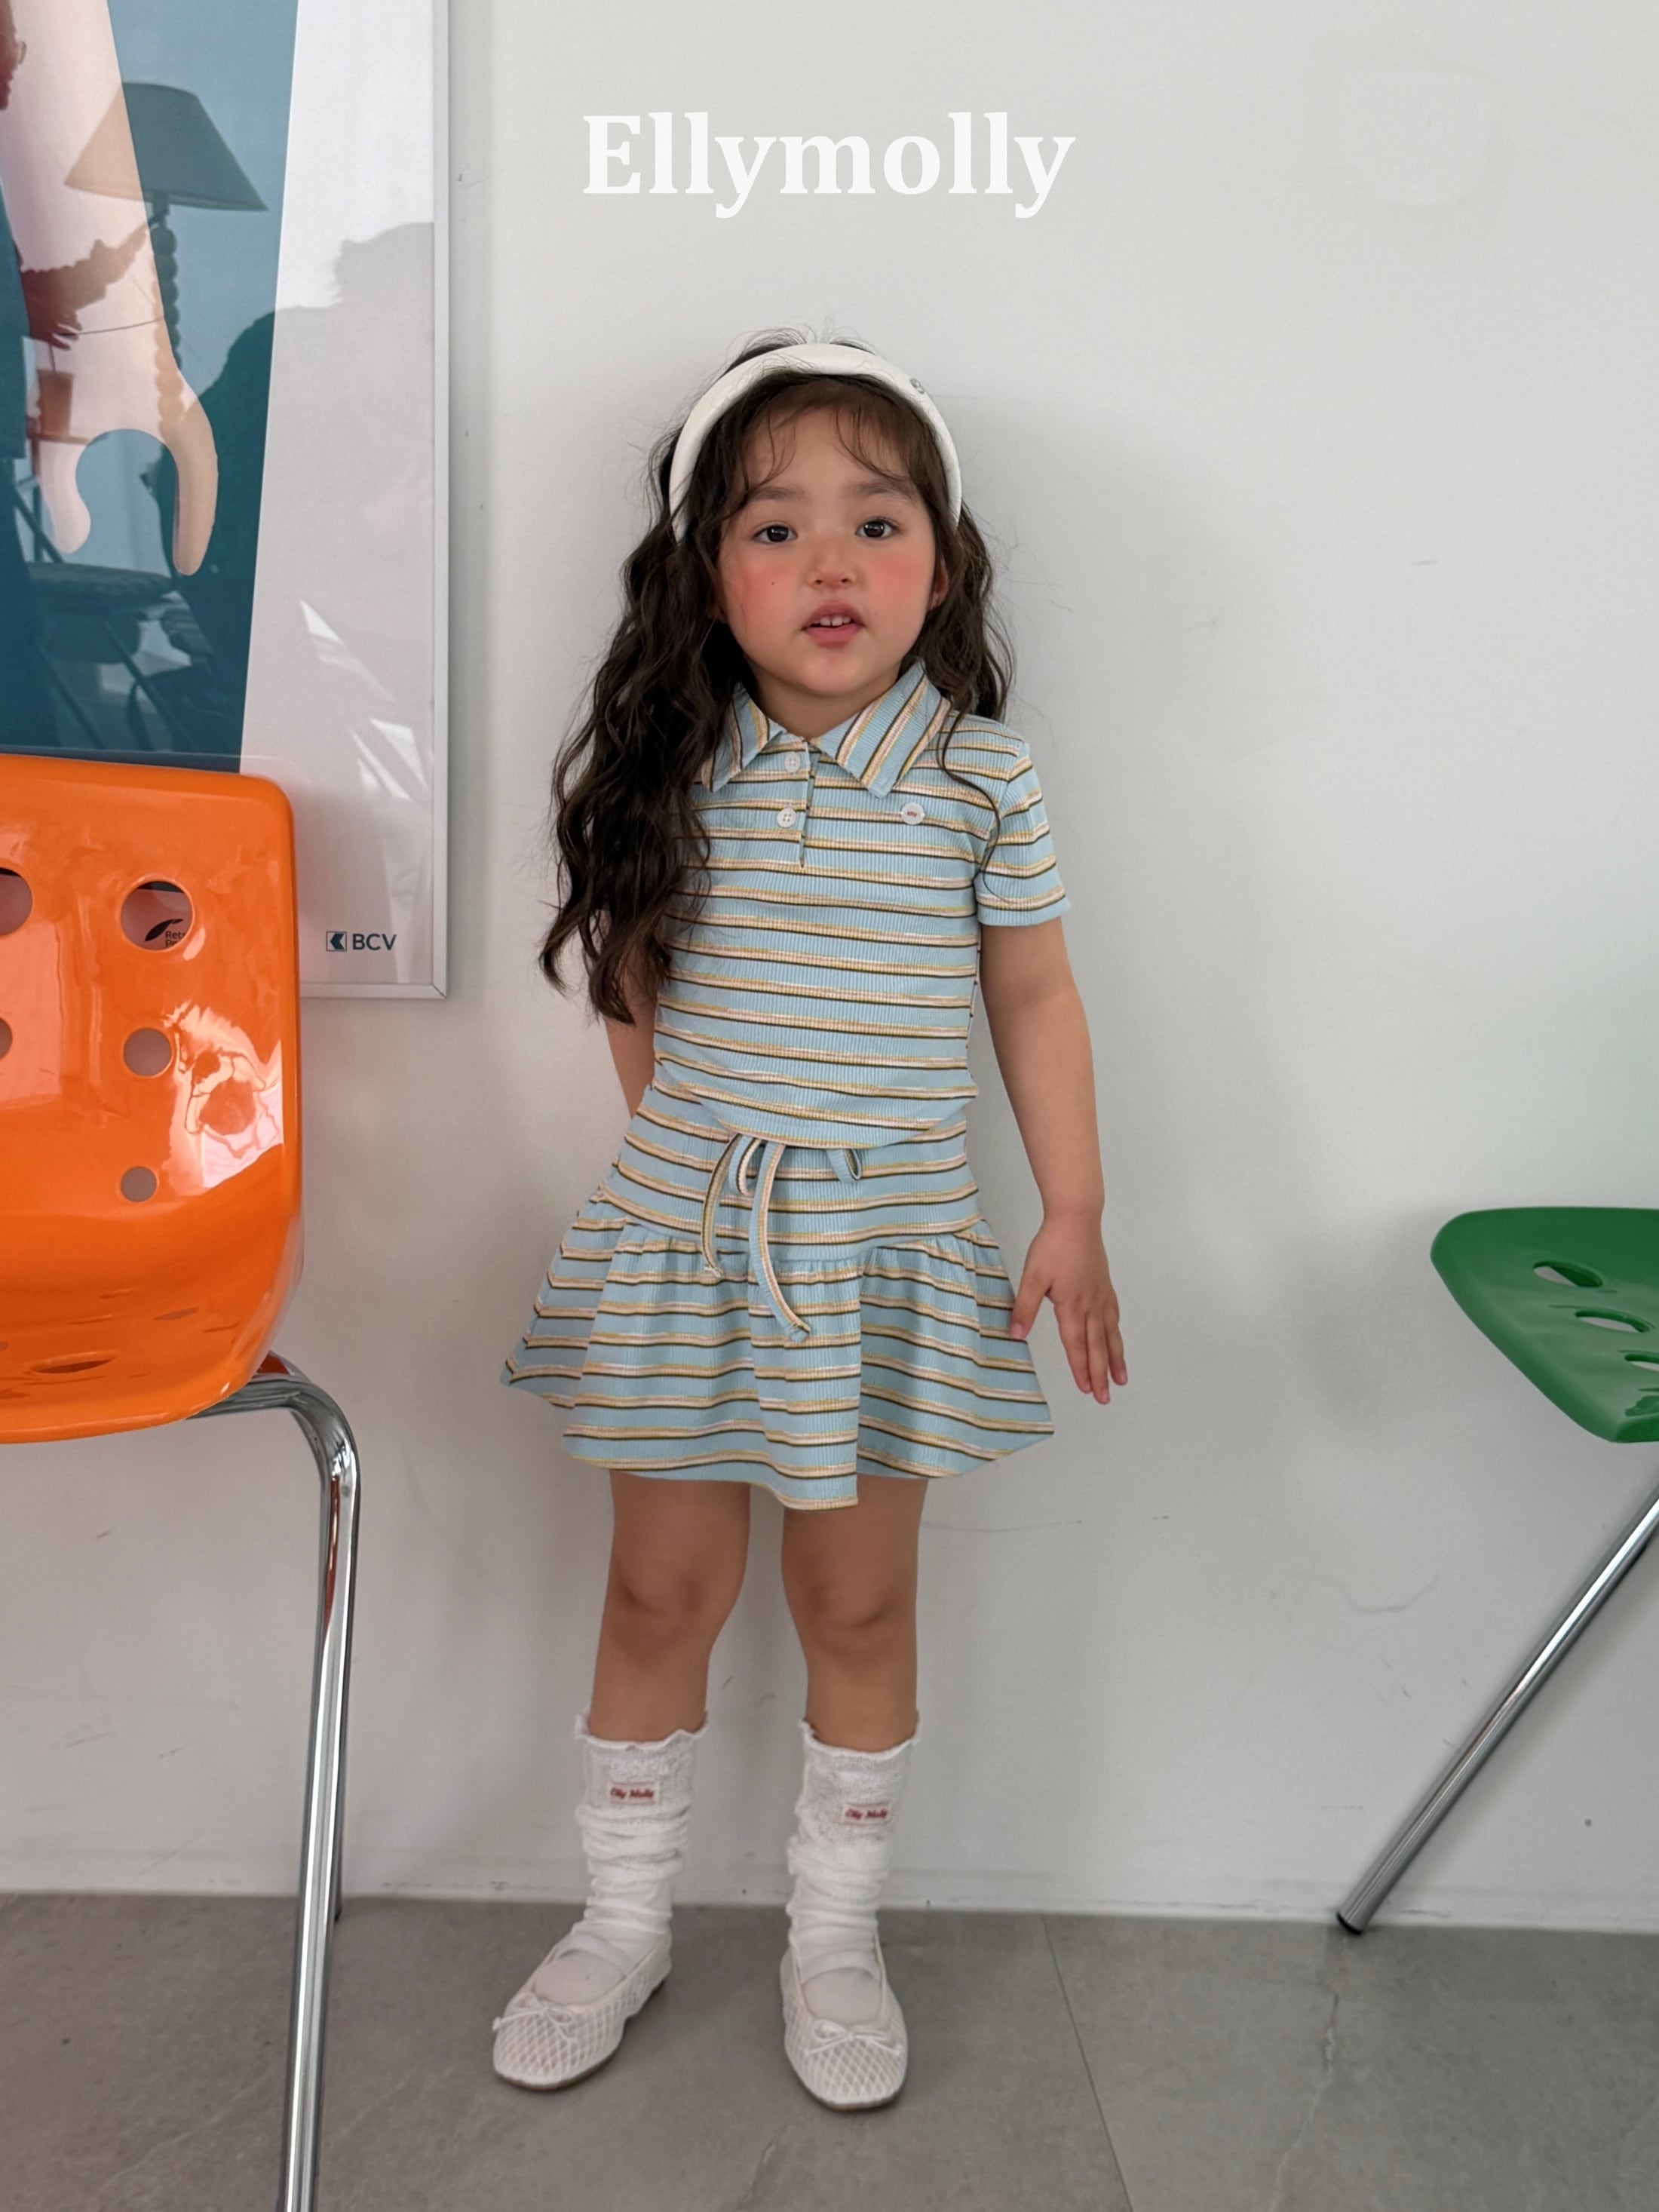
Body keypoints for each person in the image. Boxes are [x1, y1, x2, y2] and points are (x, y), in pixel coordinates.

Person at [494, 330, 1127, 2109]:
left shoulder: (978, 780)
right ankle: (621, 1919)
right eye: (775, 528)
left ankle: (833, 1938)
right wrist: (686, 1176)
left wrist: (1071, 1206)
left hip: (891, 1249)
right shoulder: (668, 771)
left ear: (943, 559)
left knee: (854, 1599)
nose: (829, 561)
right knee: (657, 1585)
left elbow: (1033, 997)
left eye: (876, 519)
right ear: (707, 571)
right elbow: (634, 990)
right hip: (692, 1246)